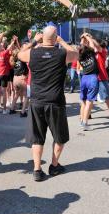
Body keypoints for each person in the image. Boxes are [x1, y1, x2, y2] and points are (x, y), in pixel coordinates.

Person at [18, 26, 78, 182]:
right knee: (59, 136)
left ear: (42, 37)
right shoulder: (61, 54)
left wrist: (33, 41)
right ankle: (54, 165)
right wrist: (62, 42)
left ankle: (37, 170)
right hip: (55, 101)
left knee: (37, 138)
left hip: (37, 101)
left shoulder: (33, 53)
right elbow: (76, 54)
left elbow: (19, 54)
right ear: (56, 37)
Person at [83, 35, 109, 122]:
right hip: (91, 77)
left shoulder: (103, 51)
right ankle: (88, 113)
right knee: (90, 97)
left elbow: (97, 46)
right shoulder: (91, 52)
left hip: (101, 78)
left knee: (106, 96)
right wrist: (85, 39)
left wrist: (90, 38)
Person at [78, 34, 99, 131]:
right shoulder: (90, 52)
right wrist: (88, 37)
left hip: (84, 78)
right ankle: (85, 123)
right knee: (89, 102)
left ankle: (82, 119)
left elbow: (83, 45)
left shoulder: (80, 54)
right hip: (92, 78)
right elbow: (92, 45)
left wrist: (83, 39)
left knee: (83, 101)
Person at [0, 36, 17, 114]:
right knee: (4, 92)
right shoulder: (3, 53)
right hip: (4, 74)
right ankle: (4, 110)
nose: (2, 46)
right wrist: (13, 41)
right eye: (0, 46)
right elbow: (9, 47)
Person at [9, 47, 29, 117]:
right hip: (22, 78)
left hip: (15, 79)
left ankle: (12, 109)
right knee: (26, 95)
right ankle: (23, 112)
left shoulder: (13, 60)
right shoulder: (22, 59)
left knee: (16, 94)